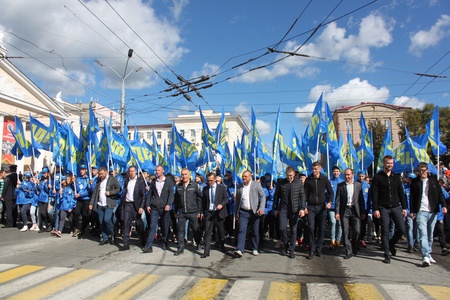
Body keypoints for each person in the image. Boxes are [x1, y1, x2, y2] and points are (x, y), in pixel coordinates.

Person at [410, 162, 447, 266]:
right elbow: (412, 197)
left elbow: (440, 194)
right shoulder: (415, 182)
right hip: (421, 211)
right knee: (423, 234)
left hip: (433, 210)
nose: (421, 173)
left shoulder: (433, 180)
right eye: (420, 171)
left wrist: (443, 205)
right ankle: (425, 256)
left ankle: (429, 252)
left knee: (430, 235)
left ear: (427, 170)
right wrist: (412, 211)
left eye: (423, 171)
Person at [371, 155, 407, 264]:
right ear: (384, 163)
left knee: (401, 228)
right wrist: (375, 209)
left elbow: (401, 193)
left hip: (395, 206)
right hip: (383, 207)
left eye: (391, 163)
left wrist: (404, 207)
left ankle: (391, 243)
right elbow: (374, 195)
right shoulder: (378, 177)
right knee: (385, 231)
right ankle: (386, 255)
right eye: (388, 163)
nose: (390, 165)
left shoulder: (396, 177)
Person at [273, 166, 306, 259]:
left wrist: (302, 208)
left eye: (291, 175)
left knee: (293, 230)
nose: (289, 177)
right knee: (282, 228)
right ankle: (285, 244)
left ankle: (291, 249)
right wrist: (275, 208)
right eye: (287, 176)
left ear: (294, 174)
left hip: (295, 210)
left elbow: (302, 196)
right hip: (283, 209)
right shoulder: (281, 183)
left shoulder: (298, 183)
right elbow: (276, 196)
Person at [304, 162, 333, 259]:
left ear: (320, 169)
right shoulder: (309, 180)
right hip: (311, 207)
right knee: (311, 228)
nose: (314, 171)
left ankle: (319, 249)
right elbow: (304, 194)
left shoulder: (324, 179)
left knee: (321, 229)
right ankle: (311, 249)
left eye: (316, 169)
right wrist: (304, 206)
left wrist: (329, 202)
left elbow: (331, 192)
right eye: (313, 169)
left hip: (322, 207)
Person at [234, 170, 266, 257]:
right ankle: (240, 249)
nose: (244, 178)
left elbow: (263, 196)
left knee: (255, 231)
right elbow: (237, 202)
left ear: (250, 177)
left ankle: (255, 248)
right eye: (243, 176)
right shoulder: (240, 187)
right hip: (243, 212)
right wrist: (236, 214)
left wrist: (261, 208)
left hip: (254, 212)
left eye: (245, 176)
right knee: (242, 230)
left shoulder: (256, 185)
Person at [335, 168, 365, 259]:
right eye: (345, 175)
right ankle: (348, 250)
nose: (347, 176)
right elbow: (338, 200)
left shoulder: (358, 185)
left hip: (355, 210)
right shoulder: (341, 186)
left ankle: (354, 246)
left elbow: (361, 200)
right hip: (345, 210)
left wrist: (363, 211)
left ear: (352, 175)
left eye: (348, 175)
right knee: (345, 230)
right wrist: (337, 212)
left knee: (356, 230)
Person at [143, 165, 174, 252]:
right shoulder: (153, 182)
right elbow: (150, 194)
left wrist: (168, 204)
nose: (157, 172)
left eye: (159, 170)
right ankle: (149, 246)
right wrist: (148, 205)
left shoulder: (168, 181)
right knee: (152, 226)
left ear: (163, 171)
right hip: (155, 208)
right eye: (156, 170)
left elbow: (171, 194)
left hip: (165, 208)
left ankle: (165, 242)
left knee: (165, 226)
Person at [173, 168, 202, 255]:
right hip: (182, 212)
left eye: (185, 174)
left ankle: (198, 243)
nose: (184, 176)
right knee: (180, 230)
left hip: (193, 211)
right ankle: (180, 248)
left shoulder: (194, 185)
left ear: (189, 175)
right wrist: (175, 211)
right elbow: (176, 200)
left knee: (195, 229)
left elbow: (199, 199)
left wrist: (199, 211)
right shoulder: (179, 186)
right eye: (182, 174)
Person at [89, 166, 121, 245]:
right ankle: (105, 237)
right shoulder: (99, 180)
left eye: (102, 174)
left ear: (106, 172)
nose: (101, 175)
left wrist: (110, 193)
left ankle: (112, 234)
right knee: (101, 221)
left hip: (109, 203)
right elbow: (95, 193)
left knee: (107, 219)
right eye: (100, 174)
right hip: (100, 204)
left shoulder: (112, 179)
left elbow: (118, 189)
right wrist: (91, 203)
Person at [201, 172, 229, 258]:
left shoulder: (222, 188)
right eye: (208, 180)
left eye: (211, 180)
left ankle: (222, 245)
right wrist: (202, 212)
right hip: (209, 212)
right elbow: (203, 202)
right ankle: (206, 251)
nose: (209, 182)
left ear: (215, 179)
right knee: (207, 231)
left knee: (220, 230)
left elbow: (226, 198)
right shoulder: (205, 189)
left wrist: (221, 204)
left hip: (218, 212)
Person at [120, 166, 147, 251]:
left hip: (137, 205)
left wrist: (141, 207)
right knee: (126, 222)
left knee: (139, 224)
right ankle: (126, 243)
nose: (131, 173)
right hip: (128, 204)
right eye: (130, 171)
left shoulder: (140, 181)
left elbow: (143, 195)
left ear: (136, 172)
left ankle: (143, 240)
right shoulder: (127, 181)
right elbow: (124, 191)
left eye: (133, 171)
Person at [72, 165, 91, 237]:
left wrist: (81, 195)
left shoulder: (88, 179)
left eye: (83, 169)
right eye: (80, 169)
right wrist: (74, 182)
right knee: (76, 213)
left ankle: (83, 228)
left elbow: (88, 190)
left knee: (84, 214)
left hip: (86, 199)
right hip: (79, 199)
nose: (81, 171)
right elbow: (76, 188)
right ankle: (77, 227)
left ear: (86, 170)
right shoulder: (78, 179)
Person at [328, 166, 343, 249]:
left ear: (339, 172)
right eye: (334, 171)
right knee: (333, 222)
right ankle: (332, 240)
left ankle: (338, 240)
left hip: (340, 207)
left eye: (337, 171)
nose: (335, 173)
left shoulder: (342, 182)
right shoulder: (329, 181)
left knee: (339, 224)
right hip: (331, 207)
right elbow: (326, 193)